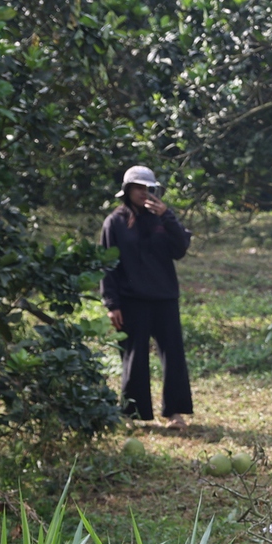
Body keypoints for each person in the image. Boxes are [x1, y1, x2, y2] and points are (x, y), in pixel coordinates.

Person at [100, 165, 193, 426]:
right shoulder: (114, 222)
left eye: (147, 188)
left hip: (164, 297)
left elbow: (180, 249)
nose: (143, 192)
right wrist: (112, 303)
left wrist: (168, 217)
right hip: (131, 300)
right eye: (137, 187)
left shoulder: (162, 218)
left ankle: (175, 412)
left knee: (173, 356)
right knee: (134, 357)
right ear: (127, 190)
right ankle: (131, 413)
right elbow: (106, 265)